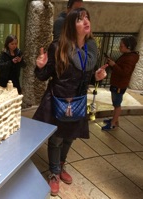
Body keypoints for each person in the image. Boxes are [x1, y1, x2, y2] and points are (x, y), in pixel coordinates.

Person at [33, 8, 108, 196]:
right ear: (70, 25)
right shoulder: (58, 46)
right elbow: (44, 76)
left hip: (78, 101)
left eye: (87, 18)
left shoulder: (90, 49)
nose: (85, 21)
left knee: (70, 137)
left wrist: (96, 76)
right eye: (80, 19)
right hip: (59, 99)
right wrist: (40, 66)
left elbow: (85, 77)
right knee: (57, 139)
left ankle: (61, 164)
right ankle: (54, 173)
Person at [102, 36, 139, 130]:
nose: (119, 47)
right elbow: (119, 68)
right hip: (117, 83)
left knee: (117, 104)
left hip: (120, 84)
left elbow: (124, 72)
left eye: (121, 46)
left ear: (129, 47)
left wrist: (114, 65)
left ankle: (113, 123)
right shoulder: (126, 56)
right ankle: (115, 120)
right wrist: (112, 64)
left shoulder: (130, 58)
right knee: (115, 103)